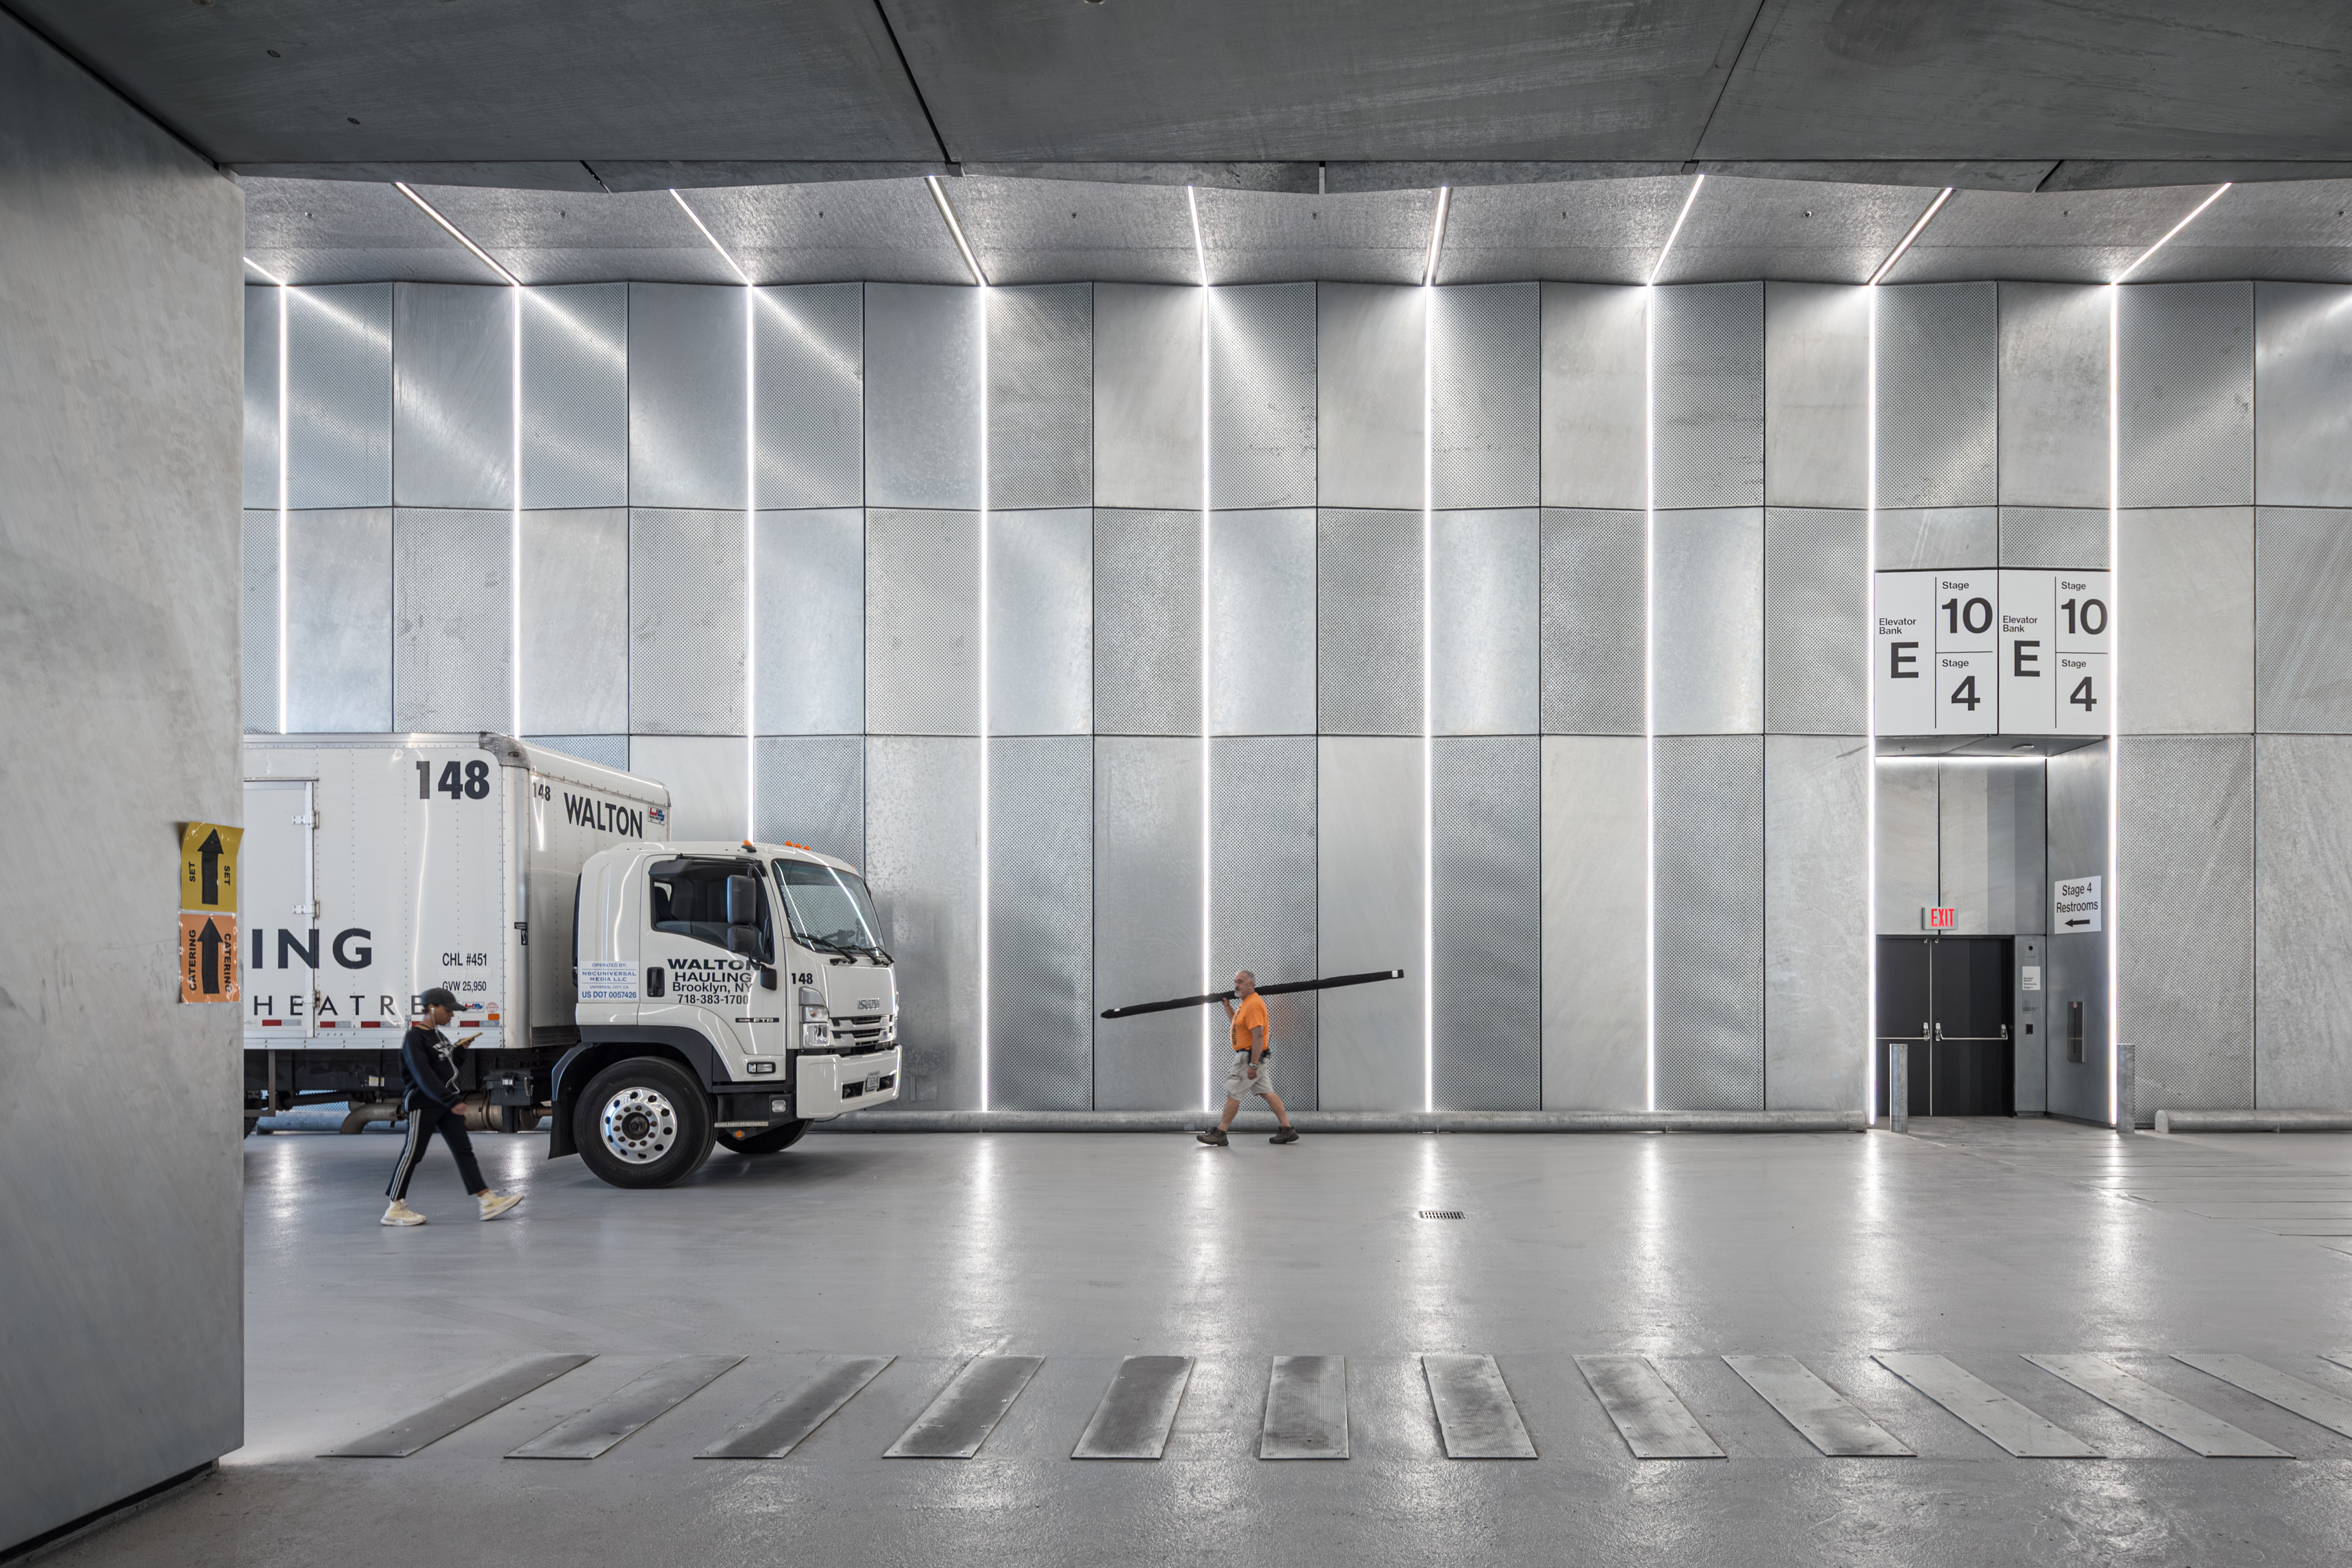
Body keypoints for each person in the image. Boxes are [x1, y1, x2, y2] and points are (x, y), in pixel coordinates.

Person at [381, 988, 524, 1226]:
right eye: (448, 1011)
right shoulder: (414, 1038)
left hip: (444, 1103)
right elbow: (424, 1075)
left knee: (463, 1150)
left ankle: (486, 1200)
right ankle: (395, 1207)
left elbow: (445, 1066)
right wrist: (451, 1101)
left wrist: (459, 1052)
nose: (452, 1015)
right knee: (413, 1153)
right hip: (423, 1103)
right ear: (432, 1009)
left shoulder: (439, 1036)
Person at [1197, 970, 1299, 1147]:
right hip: (1254, 1057)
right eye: (1235, 982)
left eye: (1240, 982)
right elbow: (1237, 1025)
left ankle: (1221, 1133)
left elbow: (1258, 1036)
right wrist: (1227, 1006)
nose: (1236, 985)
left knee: (1233, 1094)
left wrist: (1253, 1064)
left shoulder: (1253, 1005)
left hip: (1249, 1058)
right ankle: (1287, 1129)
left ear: (1251, 984)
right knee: (1267, 1093)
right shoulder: (1245, 1004)